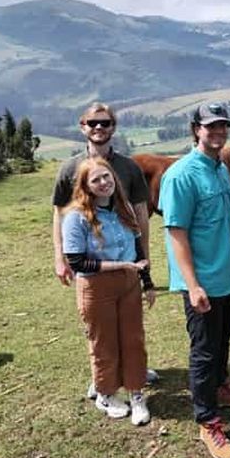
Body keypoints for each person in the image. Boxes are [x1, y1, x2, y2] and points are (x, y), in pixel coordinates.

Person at [159, 103, 230, 458]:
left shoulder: (220, 168)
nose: (218, 132)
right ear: (196, 129)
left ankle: (221, 387)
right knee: (204, 350)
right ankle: (207, 420)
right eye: (211, 126)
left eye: (223, 126)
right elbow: (176, 234)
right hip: (204, 282)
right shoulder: (181, 175)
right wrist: (193, 285)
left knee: (223, 337)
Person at [51, 102, 159, 396]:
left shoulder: (128, 167)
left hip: (126, 259)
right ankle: (104, 380)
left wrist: (144, 255)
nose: (99, 128)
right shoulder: (69, 168)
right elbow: (59, 213)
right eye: (93, 123)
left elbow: (139, 212)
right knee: (99, 327)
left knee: (130, 324)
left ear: (114, 127)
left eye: (105, 123)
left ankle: (132, 372)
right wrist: (59, 256)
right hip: (91, 265)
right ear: (82, 126)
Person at [62, 157, 156, 425]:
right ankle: (105, 394)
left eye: (107, 177)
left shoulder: (123, 208)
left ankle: (137, 392)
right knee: (104, 343)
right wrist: (120, 265)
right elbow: (77, 261)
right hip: (96, 287)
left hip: (129, 284)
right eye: (96, 180)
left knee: (133, 339)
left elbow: (138, 251)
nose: (103, 183)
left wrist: (146, 282)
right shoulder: (76, 217)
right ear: (86, 186)